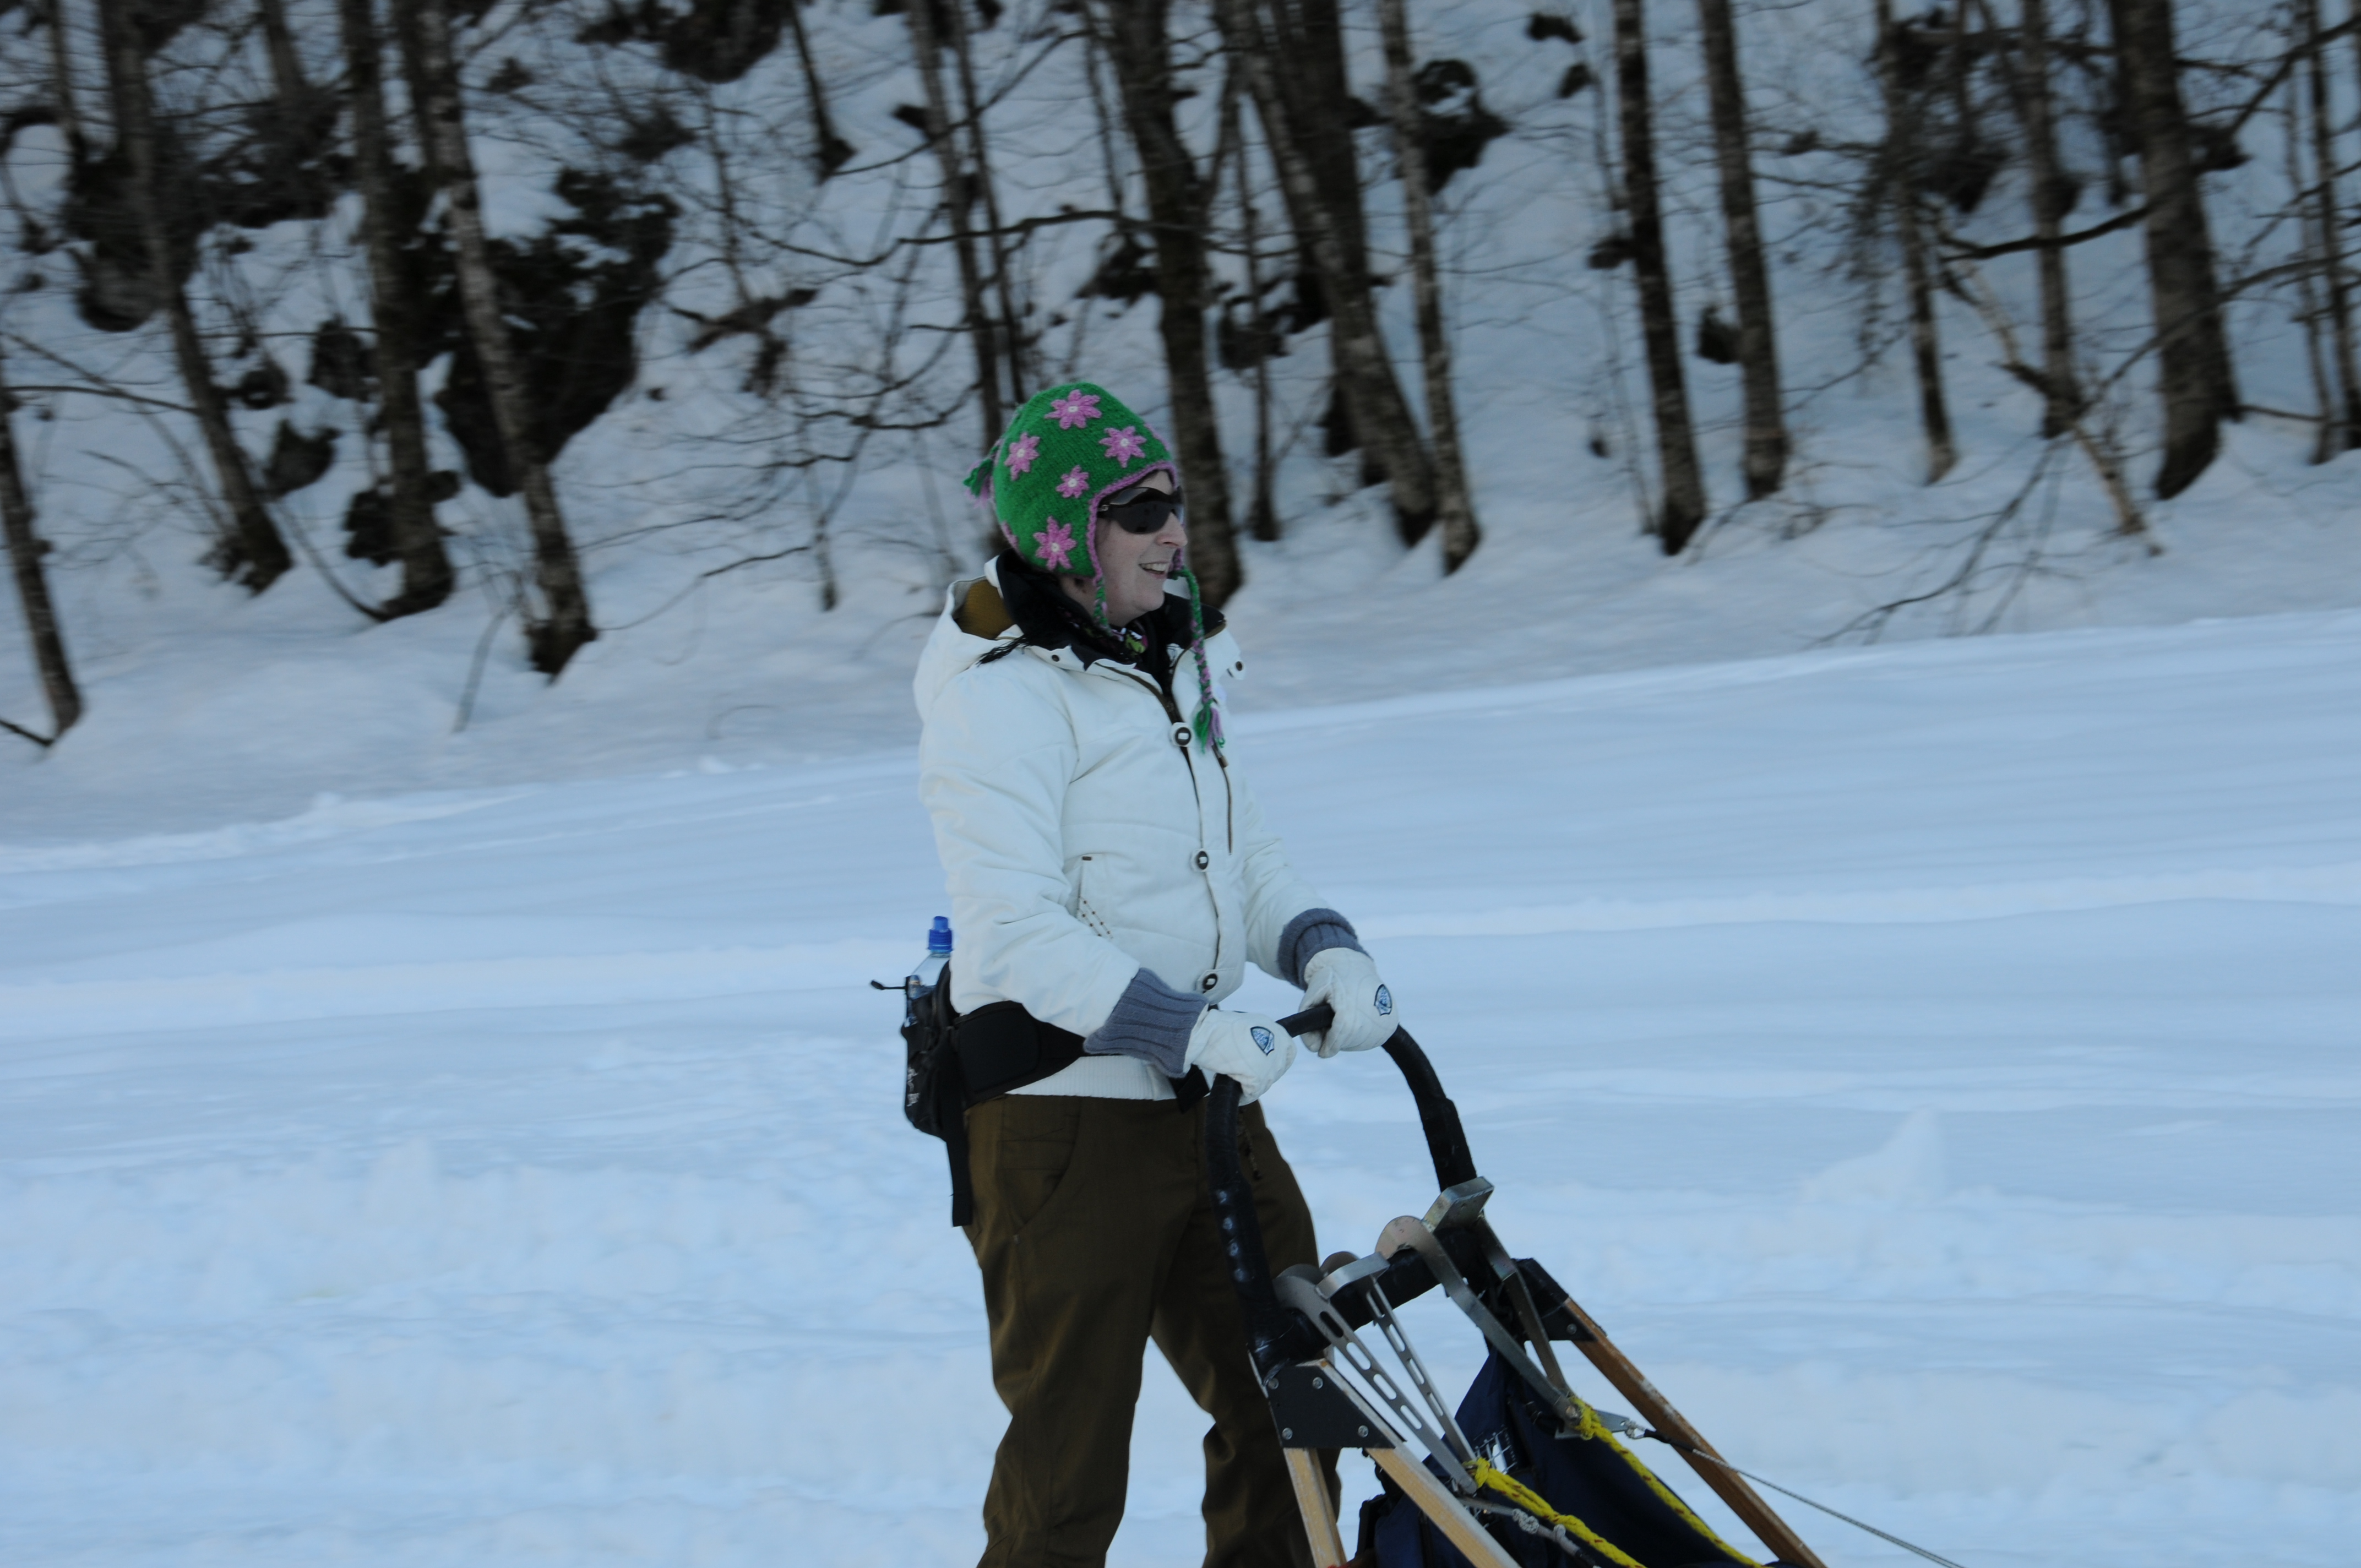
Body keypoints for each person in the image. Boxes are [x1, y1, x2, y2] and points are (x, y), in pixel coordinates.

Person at [913, 382, 1403, 1568]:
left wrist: (1321, 945)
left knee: (1295, 1406)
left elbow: (1242, 856)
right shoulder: (997, 693)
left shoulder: (1175, 654)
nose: (1173, 531)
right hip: (1061, 1122)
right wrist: (1186, 1027)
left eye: (1175, 501)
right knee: (1068, 1474)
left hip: (1205, 1102)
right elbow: (1011, 930)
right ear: (1065, 534)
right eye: (1139, 511)